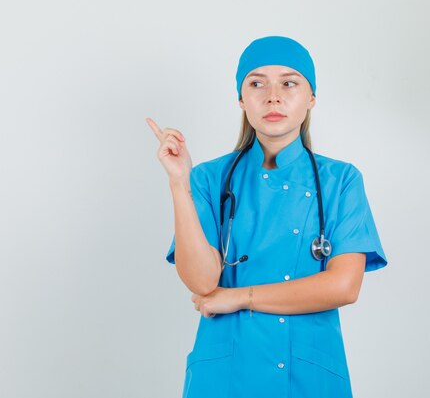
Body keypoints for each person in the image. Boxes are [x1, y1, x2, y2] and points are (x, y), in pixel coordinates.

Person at [146, 35, 388, 398]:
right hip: (225, 376)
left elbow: (343, 286)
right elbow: (200, 280)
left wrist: (238, 297)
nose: (273, 95)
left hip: (308, 378)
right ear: (242, 99)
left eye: (289, 83)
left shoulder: (340, 181)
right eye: (257, 83)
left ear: (311, 98)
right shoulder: (209, 178)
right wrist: (180, 182)